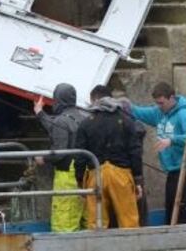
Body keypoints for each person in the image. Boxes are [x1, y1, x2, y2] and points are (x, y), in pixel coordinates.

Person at [130, 82, 186, 224]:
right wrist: (124, 105)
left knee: (183, 215)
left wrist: (172, 140)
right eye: (157, 103)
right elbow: (138, 112)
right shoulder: (159, 113)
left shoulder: (183, 114)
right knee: (171, 213)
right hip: (173, 172)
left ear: (171, 98)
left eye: (161, 103)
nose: (159, 106)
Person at [75, 92, 143, 229]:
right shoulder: (126, 121)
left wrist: (80, 180)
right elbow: (135, 152)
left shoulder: (86, 123)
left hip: (96, 174)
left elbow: (80, 156)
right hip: (121, 175)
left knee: (96, 223)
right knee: (129, 220)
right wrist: (138, 180)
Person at [33, 83, 91, 232]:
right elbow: (56, 128)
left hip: (67, 176)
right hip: (85, 173)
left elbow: (59, 151)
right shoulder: (83, 117)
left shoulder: (61, 120)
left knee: (64, 220)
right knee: (85, 218)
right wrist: (39, 113)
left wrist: (44, 158)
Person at [90, 85, 150, 227]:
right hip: (128, 175)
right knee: (133, 216)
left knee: (117, 216)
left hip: (122, 175)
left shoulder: (127, 127)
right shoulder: (134, 127)